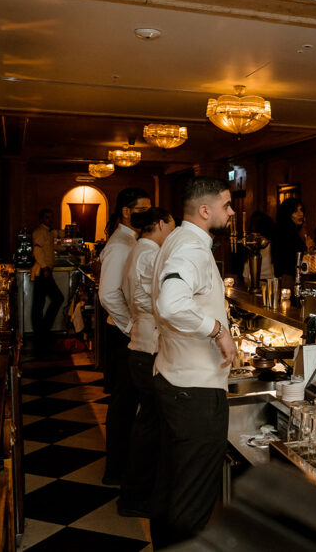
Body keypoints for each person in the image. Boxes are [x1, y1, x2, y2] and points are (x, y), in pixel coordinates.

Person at [150, 176, 237, 547]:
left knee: (170, 484)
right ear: (205, 210)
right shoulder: (193, 249)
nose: (232, 212)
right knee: (193, 498)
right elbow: (171, 303)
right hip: (196, 393)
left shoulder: (176, 240)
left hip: (173, 378)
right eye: (227, 205)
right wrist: (218, 329)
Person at [118, 207, 176, 518]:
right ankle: (136, 496)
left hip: (141, 340)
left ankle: (137, 492)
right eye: (172, 226)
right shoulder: (151, 254)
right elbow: (163, 302)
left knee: (147, 421)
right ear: (162, 224)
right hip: (149, 344)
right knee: (150, 424)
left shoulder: (139, 249)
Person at [98, 186, 152, 486]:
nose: (147, 213)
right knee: (123, 403)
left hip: (125, 331)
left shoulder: (132, 239)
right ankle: (116, 470)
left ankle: (121, 465)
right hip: (121, 333)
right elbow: (108, 294)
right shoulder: (121, 244)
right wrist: (130, 326)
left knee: (127, 401)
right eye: (142, 208)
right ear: (126, 212)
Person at [30, 208, 63, 358]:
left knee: (41, 302)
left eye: (51, 217)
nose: (50, 219)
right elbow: (37, 250)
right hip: (42, 271)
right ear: (41, 218)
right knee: (54, 299)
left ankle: (42, 332)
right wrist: (44, 267)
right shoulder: (39, 232)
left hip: (45, 271)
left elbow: (49, 247)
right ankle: (42, 330)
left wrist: (65, 248)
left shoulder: (48, 233)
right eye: (47, 217)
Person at [273, 198, 308, 288]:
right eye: (295, 211)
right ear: (287, 214)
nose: (301, 214)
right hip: (289, 279)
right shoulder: (285, 233)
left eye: (301, 210)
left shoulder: (293, 232)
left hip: (293, 277)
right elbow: (286, 261)